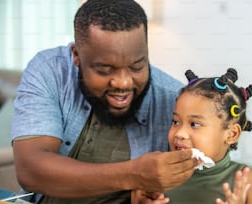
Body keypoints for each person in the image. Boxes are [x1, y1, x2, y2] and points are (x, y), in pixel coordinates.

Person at [11, 0, 198, 203]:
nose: (123, 82)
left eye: (137, 67)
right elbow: (31, 169)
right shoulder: (50, 71)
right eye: (105, 69)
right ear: (76, 56)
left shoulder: (174, 98)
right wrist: (133, 174)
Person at [132, 68, 252, 204]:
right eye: (176, 122)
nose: (179, 133)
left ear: (231, 134)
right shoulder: (157, 175)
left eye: (195, 124)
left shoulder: (247, 182)